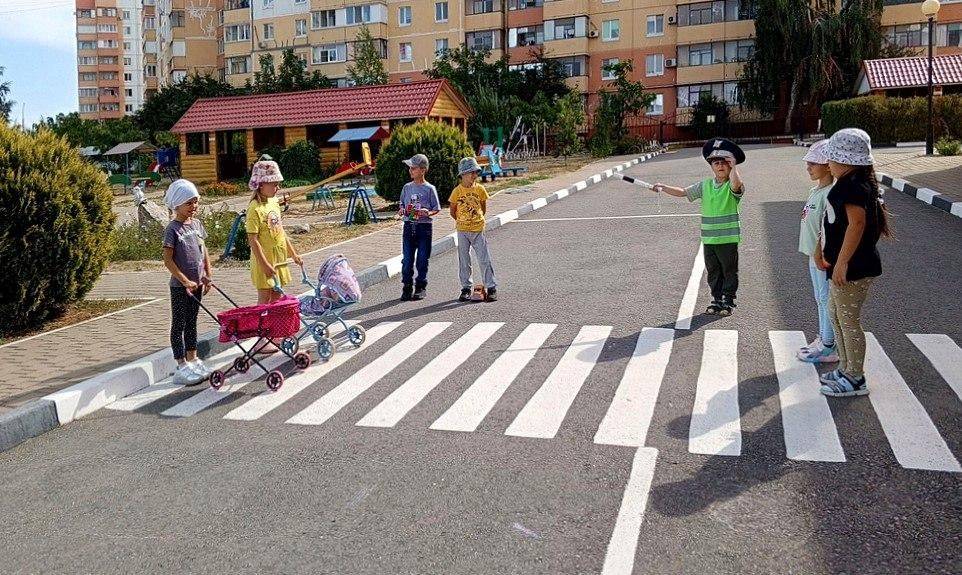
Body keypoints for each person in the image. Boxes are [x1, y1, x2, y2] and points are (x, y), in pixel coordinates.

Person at [815, 128, 891, 397]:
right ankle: (846, 368)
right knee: (836, 315)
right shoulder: (851, 184)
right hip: (844, 265)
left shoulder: (853, 187)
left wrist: (842, 262)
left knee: (848, 321)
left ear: (848, 161)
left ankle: (856, 378)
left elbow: (856, 224)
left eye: (831, 160)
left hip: (854, 268)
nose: (828, 164)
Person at [651, 137, 746, 315]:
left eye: (725, 163)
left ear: (731, 166)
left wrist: (734, 167)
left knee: (729, 271)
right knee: (713, 272)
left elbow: (736, 184)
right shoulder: (705, 186)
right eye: (716, 163)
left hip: (727, 239)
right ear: (711, 166)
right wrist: (664, 188)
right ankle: (717, 299)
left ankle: (728, 301)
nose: (720, 166)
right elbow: (684, 192)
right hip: (709, 239)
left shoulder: (734, 187)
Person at [162, 179, 213, 385]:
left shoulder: (197, 224)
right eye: (189, 203)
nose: (194, 207)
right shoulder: (172, 229)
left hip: (198, 284)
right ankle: (181, 363)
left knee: (192, 322)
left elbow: (204, 250)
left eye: (196, 202)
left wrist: (208, 274)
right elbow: (168, 260)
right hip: (181, 287)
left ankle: (193, 358)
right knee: (179, 323)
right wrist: (184, 281)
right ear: (177, 205)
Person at [796, 140, 839, 364]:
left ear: (828, 165)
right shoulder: (817, 190)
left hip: (822, 257)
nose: (809, 167)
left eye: (814, 163)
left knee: (825, 298)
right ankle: (823, 338)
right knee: (820, 298)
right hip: (814, 255)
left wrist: (820, 254)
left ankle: (829, 346)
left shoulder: (830, 193)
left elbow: (828, 229)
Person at [246, 158, 303, 306]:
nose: (277, 188)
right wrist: (264, 264)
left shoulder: (274, 202)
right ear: (260, 185)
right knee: (265, 298)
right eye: (274, 184)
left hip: (279, 258)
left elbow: (280, 231)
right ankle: (261, 327)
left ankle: (273, 327)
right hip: (264, 259)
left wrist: (293, 254)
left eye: (278, 184)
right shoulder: (255, 208)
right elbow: (253, 240)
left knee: (277, 295)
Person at [450, 157, 498, 302]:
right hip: (462, 230)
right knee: (464, 260)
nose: (474, 175)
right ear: (462, 174)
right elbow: (453, 211)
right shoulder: (457, 192)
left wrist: (477, 219)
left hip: (478, 229)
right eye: (471, 172)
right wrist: (462, 221)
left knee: (484, 259)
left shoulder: (480, 189)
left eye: (475, 172)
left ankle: (491, 287)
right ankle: (465, 288)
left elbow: (483, 207)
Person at [397, 154, 440, 301]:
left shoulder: (429, 189)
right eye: (410, 168)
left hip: (424, 228)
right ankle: (406, 286)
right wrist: (402, 209)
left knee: (422, 258)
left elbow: (436, 208)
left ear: (422, 170)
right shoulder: (407, 187)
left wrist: (428, 212)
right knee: (407, 259)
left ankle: (420, 286)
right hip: (409, 226)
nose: (410, 170)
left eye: (413, 168)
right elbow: (402, 204)